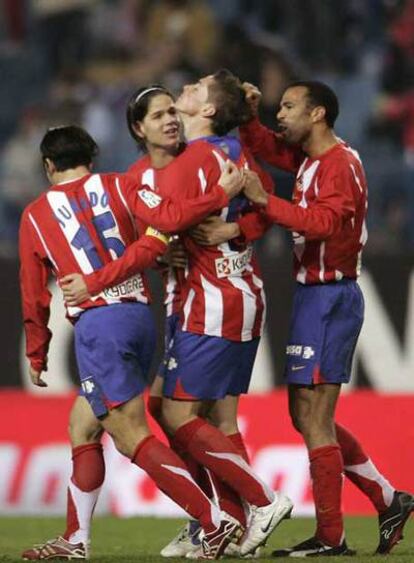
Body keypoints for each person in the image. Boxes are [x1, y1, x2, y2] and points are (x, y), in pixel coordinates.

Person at [61, 72, 293, 559]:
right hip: (185, 298)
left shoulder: (209, 153)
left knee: (182, 413)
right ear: (138, 129)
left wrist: (232, 230)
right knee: (186, 412)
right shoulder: (136, 177)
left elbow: (262, 197)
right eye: (160, 113)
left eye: (175, 108)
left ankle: (255, 505)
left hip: (216, 298)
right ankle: (223, 519)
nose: (171, 116)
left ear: (198, 114)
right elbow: (150, 232)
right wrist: (163, 250)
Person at [19, 125, 246, 561]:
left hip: (100, 325)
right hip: (141, 317)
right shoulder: (122, 185)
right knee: (82, 426)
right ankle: (76, 538)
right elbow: (170, 220)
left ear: (48, 166)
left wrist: (37, 350)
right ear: (94, 155)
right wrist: (218, 194)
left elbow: (34, 294)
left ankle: (213, 523)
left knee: (129, 436)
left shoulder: (34, 215)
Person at [238, 79, 414, 557]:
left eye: (290, 107)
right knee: (305, 414)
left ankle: (331, 536)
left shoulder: (339, 165)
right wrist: (250, 117)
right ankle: (387, 498)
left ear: (318, 114)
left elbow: (324, 223)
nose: (282, 114)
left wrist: (264, 201)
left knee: (316, 418)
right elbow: (268, 148)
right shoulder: (311, 159)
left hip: (331, 297)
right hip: (312, 296)